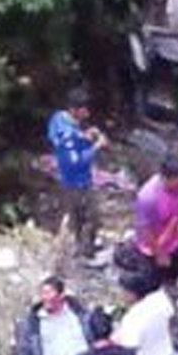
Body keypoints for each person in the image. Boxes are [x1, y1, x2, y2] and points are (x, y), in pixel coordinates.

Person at [47, 87, 106, 261]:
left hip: (68, 180)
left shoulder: (58, 119)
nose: (87, 113)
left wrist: (83, 136)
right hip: (77, 182)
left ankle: (81, 247)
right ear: (73, 110)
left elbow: (58, 139)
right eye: (83, 110)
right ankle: (85, 252)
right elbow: (76, 161)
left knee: (79, 216)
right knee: (91, 218)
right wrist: (96, 146)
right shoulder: (68, 135)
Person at [133, 156, 178, 276]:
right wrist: (159, 253)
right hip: (154, 245)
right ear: (166, 178)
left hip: (174, 239)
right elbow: (146, 230)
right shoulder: (148, 197)